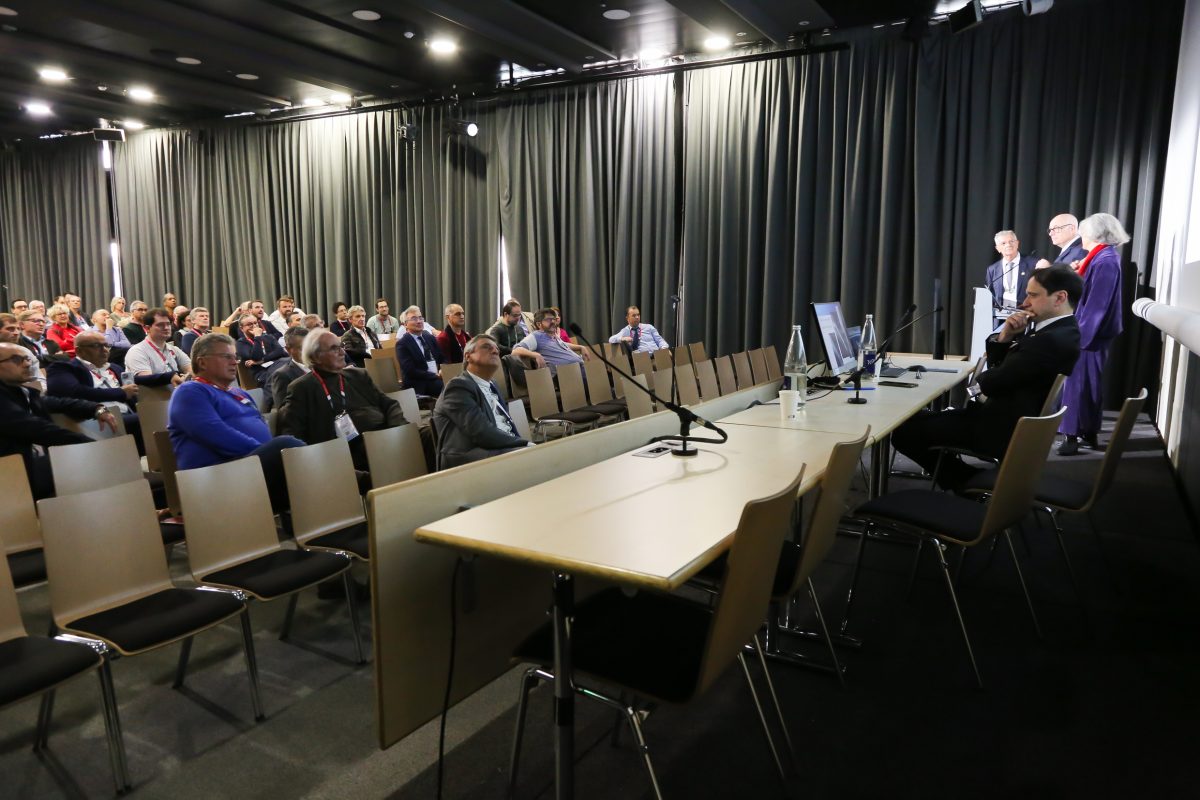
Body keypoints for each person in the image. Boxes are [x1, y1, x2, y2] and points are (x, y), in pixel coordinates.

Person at [891, 264, 1083, 490]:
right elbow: (1000, 372)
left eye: (1033, 295)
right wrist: (1005, 337)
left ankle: (965, 482)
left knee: (903, 432)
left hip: (996, 429)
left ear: (1060, 297)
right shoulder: (1061, 332)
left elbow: (991, 383)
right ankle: (965, 480)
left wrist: (988, 376)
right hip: (1003, 420)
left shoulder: (1049, 340)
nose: (1025, 302)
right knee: (911, 420)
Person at [168, 333, 304, 510]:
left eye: (235, 357)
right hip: (217, 476)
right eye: (226, 357)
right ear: (202, 363)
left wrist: (268, 454)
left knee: (303, 471)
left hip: (249, 470)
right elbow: (215, 433)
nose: (234, 362)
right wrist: (266, 451)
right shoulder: (190, 391)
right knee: (286, 446)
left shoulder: (239, 393)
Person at [0, 342, 118, 498]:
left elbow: (58, 402)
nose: (27, 364)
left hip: (33, 466)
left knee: (99, 472)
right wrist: (88, 444)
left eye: (27, 359)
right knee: (97, 468)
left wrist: (96, 408)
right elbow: (34, 428)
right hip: (11, 476)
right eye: (16, 359)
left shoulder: (23, 392)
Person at [283, 329, 406, 472]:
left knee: (424, 436)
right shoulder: (302, 388)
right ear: (315, 357)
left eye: (341, 346)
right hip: (343, 455)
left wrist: (397, 431)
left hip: (383, 438)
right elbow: (293, 434)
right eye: (334, 349)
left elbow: (390, 405)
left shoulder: (359, 375)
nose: (342, 352)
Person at [1057, 213, 1129, 455]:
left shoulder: (1105, 260)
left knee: (1077, 385)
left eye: (1084, 234)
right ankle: (1088, 432)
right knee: (1088, 384)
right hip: (1092, 332)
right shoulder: (1100, 257)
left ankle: (1071, 436)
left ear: (1096, 235)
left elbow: (1098, 305)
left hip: (1091, 334)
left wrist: (1079, 336)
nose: (1081, 239)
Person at [433, 334, 530, 469]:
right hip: (470, 457)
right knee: (533, 459)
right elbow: (481, 433)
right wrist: (524, 444)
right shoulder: (458, 387)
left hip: (500, 448)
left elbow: (504, 424)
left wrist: (522, 444)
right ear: (468, 356)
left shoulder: (493, 384)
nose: (495, 351)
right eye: (486, 347)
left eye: (496, 349)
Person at [46, 332, 143, 451]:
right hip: (95, 419)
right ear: (79, 351)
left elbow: (138, 381)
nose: (105, 350)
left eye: (106, 345)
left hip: (128, 414)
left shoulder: (114, 367)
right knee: (148, 419)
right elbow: (72, 392)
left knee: (154, 416)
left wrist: (165, 377)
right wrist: (120, 393)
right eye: (97, 346)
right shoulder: (63, 368)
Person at [125, 307, 190, 387]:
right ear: (147, 328)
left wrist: (186, 377)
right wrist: (169, 377)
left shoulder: (174, 349)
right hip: (155, 395)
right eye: (160, 325)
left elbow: (192, 370)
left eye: (168, 324)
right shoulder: (137, 351)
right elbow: (146, 381)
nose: (166, 328)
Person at [516, 308, 589, 376]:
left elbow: (563, 344)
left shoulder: (553, 335)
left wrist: (580, 347)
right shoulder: (536, 335)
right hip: (567, 376)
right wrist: (536, 355)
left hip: (580, 370)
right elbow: (516, 350)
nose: (553, 322)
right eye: (548, 320)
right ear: (539, 324)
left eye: (553, 319)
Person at [487, 300, 540, 388]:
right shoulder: (497, 330)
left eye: (519, 315)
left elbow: (525, 344)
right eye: (515, 315)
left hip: (522, 361)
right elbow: (495, 346)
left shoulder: (519, 328)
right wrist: (515, 350)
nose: (518, 318)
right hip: (504, 365)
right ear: (506, 314)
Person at [396, 306, 445, 396]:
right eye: (414, 319)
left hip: (437, 377)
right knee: (446, 388)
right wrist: (434, 376)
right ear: (405, 324)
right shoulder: (402, 344)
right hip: (419, 383)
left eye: (420, 318)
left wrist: (443, 370)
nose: (419, 321)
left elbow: (442, 358)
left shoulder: (429, 337)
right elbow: (410, 371)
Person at [985, 230, 1039, 312]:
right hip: (1000, 314)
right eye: (1003, 243)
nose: (1008, 245)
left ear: (1017, 243)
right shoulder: (992, 269)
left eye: (1011, 241)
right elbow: (989, 295)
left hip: (1025, 313)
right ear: (998, 248)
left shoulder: (1033, 264)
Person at [234, 314, 288, 386]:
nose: (254, 326)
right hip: (263, 372)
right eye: (249, 324)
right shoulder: (241, 343)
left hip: (278, 365)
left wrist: (262, 360)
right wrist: (257, 337)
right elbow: (256, 357)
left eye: (255, 323)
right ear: (241, 328)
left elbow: (280, 352)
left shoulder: (268, 337)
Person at [267, 326, 310, 413]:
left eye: (310, 347)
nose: (308, 352)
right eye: (302, 348)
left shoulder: (321, 366)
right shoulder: (282, 375)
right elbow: (284, 411)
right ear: (288, 350)